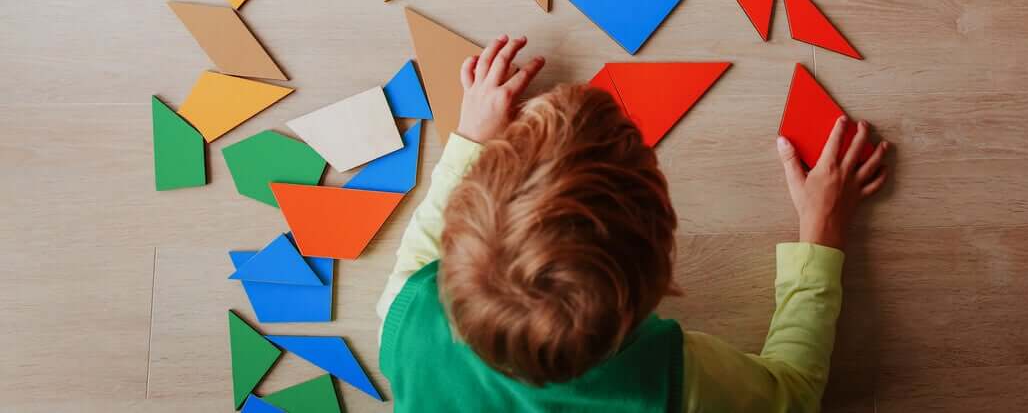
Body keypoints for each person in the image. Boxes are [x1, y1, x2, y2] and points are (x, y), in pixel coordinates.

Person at [377, 35, 891, 412]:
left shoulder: (405, 313)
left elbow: (421, 252)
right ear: (661, 268)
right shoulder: (673, 384)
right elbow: (795, 394)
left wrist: (471, 140)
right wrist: (820, 235)